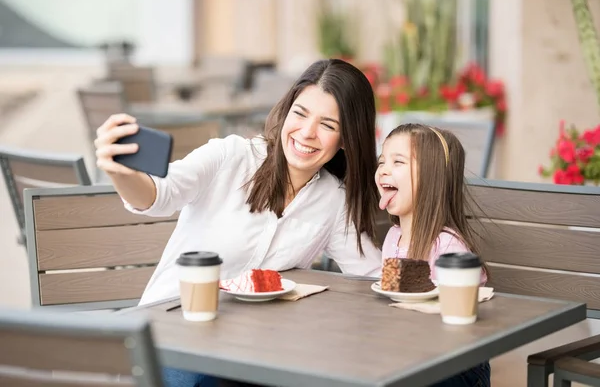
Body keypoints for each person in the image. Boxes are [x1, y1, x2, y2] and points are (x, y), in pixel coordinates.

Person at [94, 59, 383, 386]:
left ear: (346, 139)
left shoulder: (333, 200)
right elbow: (159, 195)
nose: (307, 133)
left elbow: (371, 276)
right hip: (172, 337)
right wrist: (121, 172)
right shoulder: (230, 156)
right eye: (300, 114)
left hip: (251, 354)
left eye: (328, 125)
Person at [375, 123, 490, 387]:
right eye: (382, 161)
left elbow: (472, 312)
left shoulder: (448, 246)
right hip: (409, 354)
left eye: (398, 162)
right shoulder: (393, 238)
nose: (384, 170)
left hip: (455, 366)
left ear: (431, 178)